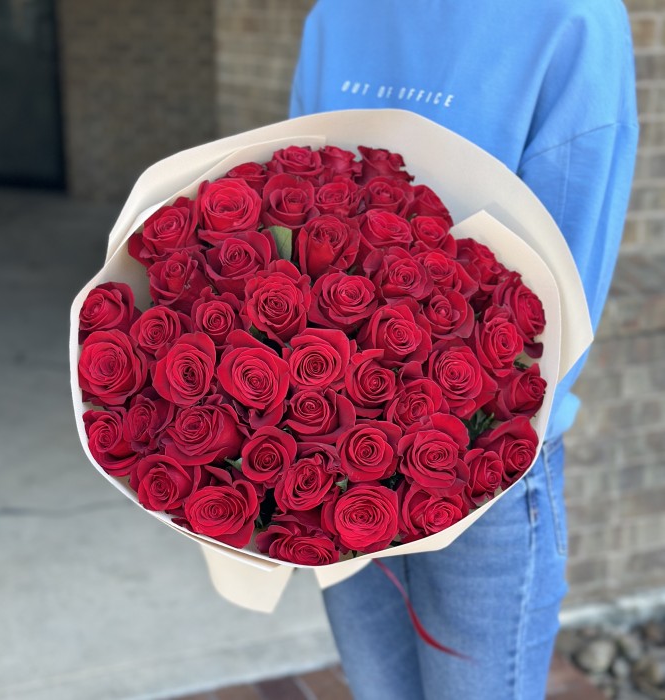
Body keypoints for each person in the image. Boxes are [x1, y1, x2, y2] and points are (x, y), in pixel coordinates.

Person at [288, 1, 639, 698]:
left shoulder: (572, 18)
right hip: (333, 451)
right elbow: (290, 203)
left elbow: (560, 298)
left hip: (485, 462)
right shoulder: (338, 13)